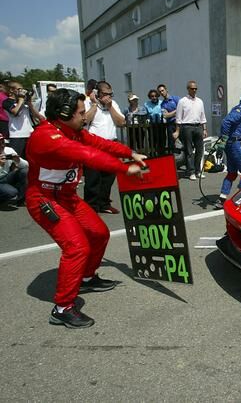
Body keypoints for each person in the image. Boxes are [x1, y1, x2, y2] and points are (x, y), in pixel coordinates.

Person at [26, 88, 146, 328]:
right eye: (81, 113)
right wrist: (124, 169)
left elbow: (99, 143)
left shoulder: (74, 131)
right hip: (44, 198)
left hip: (67, 197)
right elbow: (87, 154)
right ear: (63, 113)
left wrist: (130, 152)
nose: (85, 117)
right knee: (76, 247)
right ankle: (62, 308)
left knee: (100, 233)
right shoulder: (45, 136)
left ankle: (88, 278)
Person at [83, 80, 126, 214]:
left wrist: (110, 106)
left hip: (111, 145)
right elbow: (85, 120)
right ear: (97, 93)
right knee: (93, 178)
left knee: (109, 177)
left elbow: (121, 122)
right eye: (105, 94)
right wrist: (95, 104)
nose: (108, 97)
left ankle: (104, 203)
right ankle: (91, 206)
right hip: (94, 145)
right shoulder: (87, 103)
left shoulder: (113, 105)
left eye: (110, 94)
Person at [213, 91, 241, 210]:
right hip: (235, 144)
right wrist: (223, 140)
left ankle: (222, 199)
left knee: (232, 173)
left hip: (232, 143)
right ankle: (240, 199)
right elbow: (226, 122)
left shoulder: (239, 109)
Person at [173, 80, 207, 180]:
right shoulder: (182, 101)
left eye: (196, 88)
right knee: (189, 151)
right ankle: (191, 171)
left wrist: (204, 129)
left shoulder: (200, 101)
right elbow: (178, 118)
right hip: (187, 127)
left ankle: (198, 171)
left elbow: (203, 116)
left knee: (199, 150)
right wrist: (177, 131)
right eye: (192, 88)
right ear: (188, 89)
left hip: (198, 127)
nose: (194, 90)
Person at [2, 82, 44, 159]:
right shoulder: (7, 102)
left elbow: (36, 115)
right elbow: (15, 112)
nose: (22, 91)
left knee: (30, 159)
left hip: (29, 134)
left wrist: (29, 103)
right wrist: (21, 100)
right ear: (11, 90)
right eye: (19, 89)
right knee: (16, 160)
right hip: (17, 135)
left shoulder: (24, 102)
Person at [0, 133, 28, 208]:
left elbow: (26, 166)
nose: (2, 145)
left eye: (3, 142)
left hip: (6, 177)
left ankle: (21, 200)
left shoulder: (9, 150)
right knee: (12, 192)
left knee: (24, 171)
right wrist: (1, 166)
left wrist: (18, 161)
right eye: (0, 144)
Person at [157, 83, 180, 153]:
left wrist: (171, 113)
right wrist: (176, 112)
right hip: (170, 124)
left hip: (179, 123)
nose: (161, 92)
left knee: (184, 142)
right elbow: (165, 115)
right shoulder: (162, 104)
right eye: (160, 91)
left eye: (162, 90)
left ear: (166, 90)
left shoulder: (176, 98)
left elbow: (181, 110)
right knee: (171, 144)